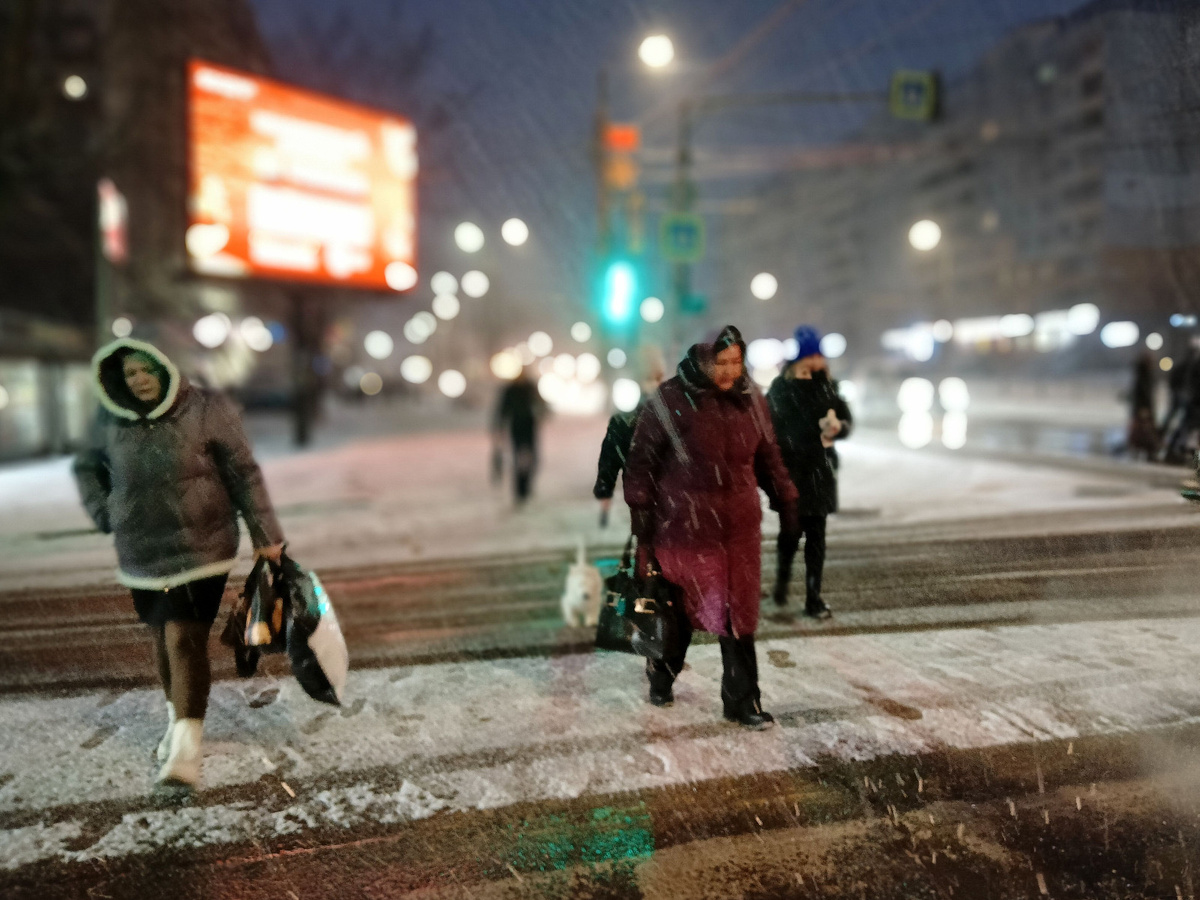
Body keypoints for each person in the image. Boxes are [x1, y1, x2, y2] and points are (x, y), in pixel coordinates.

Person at [73, 338, 284, 795]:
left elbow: (243, 472)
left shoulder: (205, 408)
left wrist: (267, 539)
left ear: (164, 367)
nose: (140, 380)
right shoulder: (108, 418)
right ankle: (175, 724)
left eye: (146, 370)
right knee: (161, 639)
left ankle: (187, 745)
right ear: (118, 381)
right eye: (130, 375)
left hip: (202, 547)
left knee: (183, 638)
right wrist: (105, 510)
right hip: (140, 552)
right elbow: (87, 466)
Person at [623, 326, 798, 730]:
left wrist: (787, 500)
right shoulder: (670, 400)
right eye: (721, 362)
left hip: (738, 529)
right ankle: (662, 673)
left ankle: (742, 700)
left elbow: (769, 457)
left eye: (736, 362)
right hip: (685, 529)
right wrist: (643, 523)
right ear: (704, 360)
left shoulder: (751, 399)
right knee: (682, 614)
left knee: (739, 615)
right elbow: (640, 466)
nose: (730, 371)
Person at [766, 326, 853, 619]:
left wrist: (838, 428)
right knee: (790, 533)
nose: (818, 360)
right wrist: (807, 433)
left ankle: (813, 597)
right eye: (813, 354)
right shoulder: (782, 387)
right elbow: (775, 429)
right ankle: (781, 583)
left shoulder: (827, 386)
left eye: (819, 355)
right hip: (793, 472)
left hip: (820, 471)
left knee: (817, 537)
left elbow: (846, 420)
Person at [593, 352, 666, 525]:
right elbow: (610, 457)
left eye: (657, 378)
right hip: (644, 494)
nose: (655, 384)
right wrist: (605, 489)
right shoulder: (627, 420)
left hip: (666, 495)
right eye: (650, 378)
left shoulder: (674, 414)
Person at [493, 367, 546, 504]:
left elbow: (541, 405)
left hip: (529, 426)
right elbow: (503, 409)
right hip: (517, 427)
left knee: (531, 458)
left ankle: (526, 486)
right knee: (519, 458)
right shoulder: (511, 389)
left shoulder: (529, 387)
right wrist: (499, 427)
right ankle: (520, 489)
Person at [1126, 350, 1159, 460]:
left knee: (1144, 430)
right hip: (1142, 409)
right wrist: (1142, 408)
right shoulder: (1142, 376)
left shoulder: (1146, 375)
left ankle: (1145, 451)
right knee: (1144, 431)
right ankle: (1146, 451)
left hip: (1144, 408)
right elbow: (1140, 394)